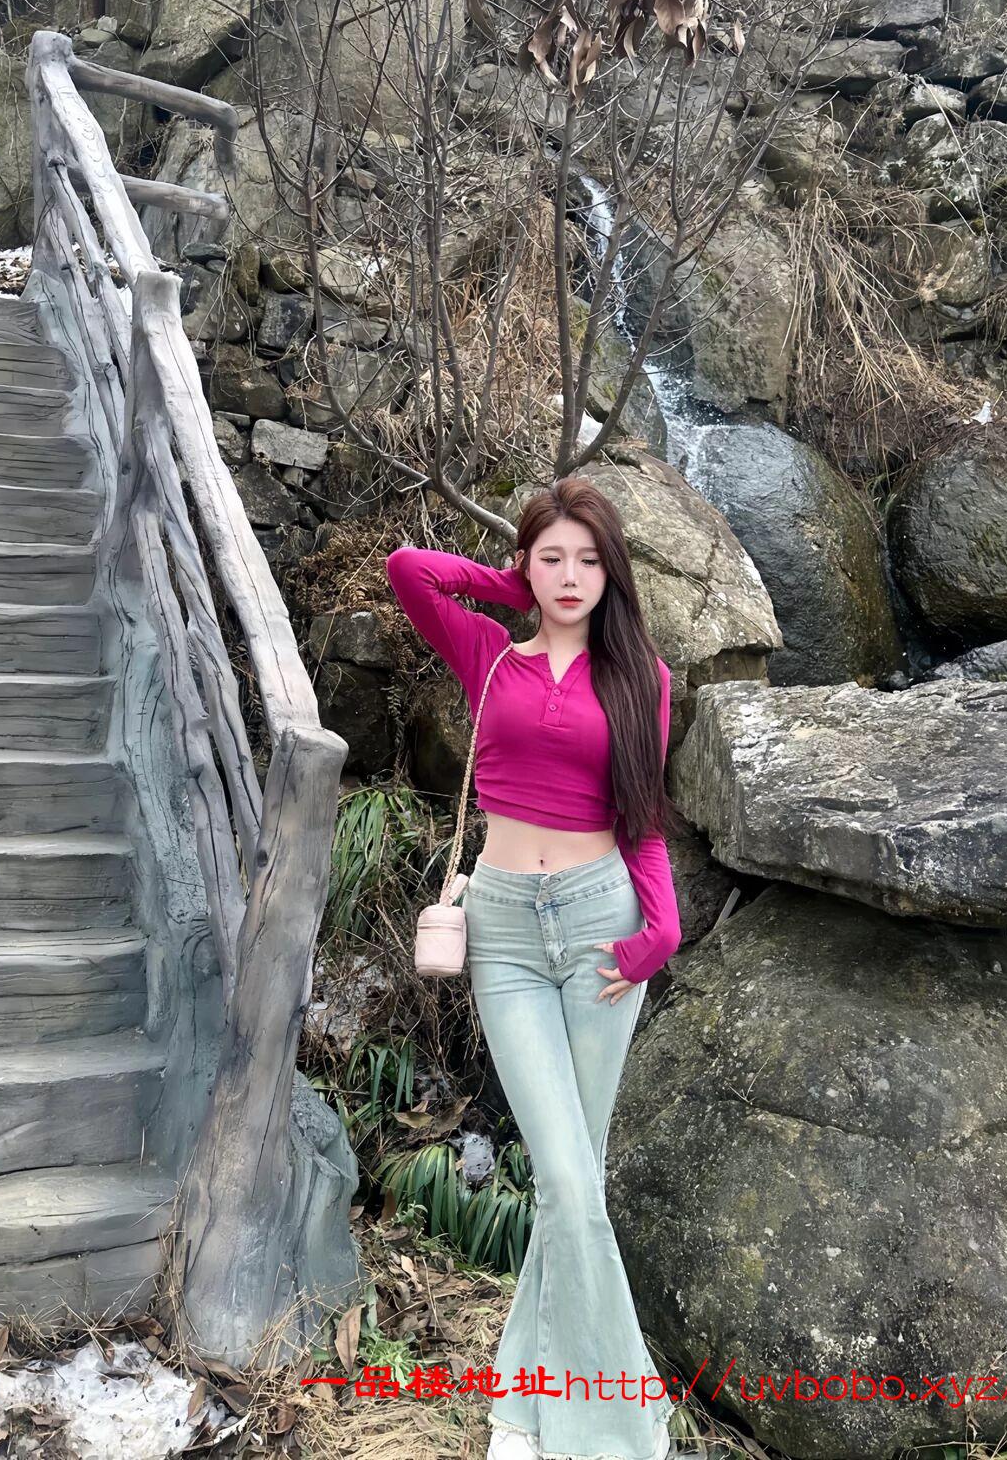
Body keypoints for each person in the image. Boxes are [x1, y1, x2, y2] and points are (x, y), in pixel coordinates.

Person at [385, 476, 682, 1460]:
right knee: (563, 1172)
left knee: (570, 1181)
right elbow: (410, 571)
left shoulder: (643, 678)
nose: (570, 576)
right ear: (527, 565)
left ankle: (522, 1412)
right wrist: (507, 585)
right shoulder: (489, 655)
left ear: (612, 572)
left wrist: (662, 930)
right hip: (506, 930)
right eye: (552, 558)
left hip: (603, 927)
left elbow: (643, 817)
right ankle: (620, 1429)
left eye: (589, 560)